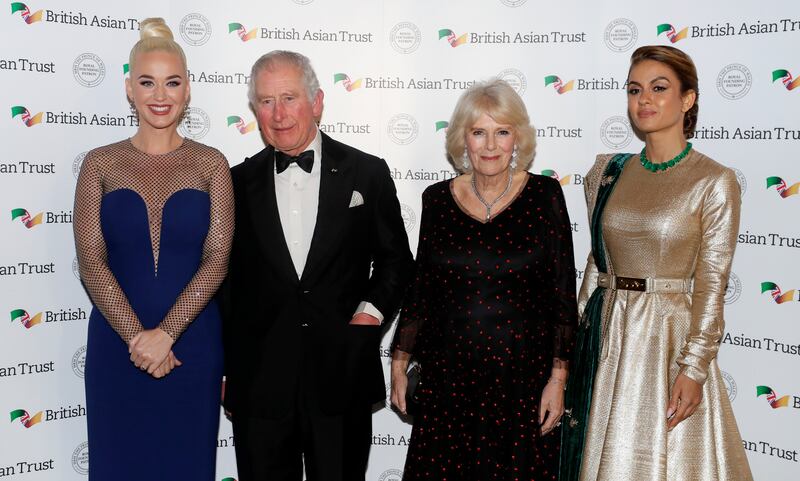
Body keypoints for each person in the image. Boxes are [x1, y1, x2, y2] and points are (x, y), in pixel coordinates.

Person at [559, 45, 753, 481]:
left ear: (688, 99)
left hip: (668, 339)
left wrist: (694, 367)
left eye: (659, 88)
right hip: (607, 338)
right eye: (634, 89)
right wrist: (569, 349)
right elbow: (597, 263)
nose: (643, 100)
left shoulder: (714, 181)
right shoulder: (607, 172)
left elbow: (711, 282)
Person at [220, 50, 414, 481]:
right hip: (260, 386)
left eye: (289, 98)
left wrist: (370, 314)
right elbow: (225, 285)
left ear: (318, 102)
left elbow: (396, 261)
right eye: (266, 102)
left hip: (342, 376)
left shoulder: (368, 173)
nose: (278, 113)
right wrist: (228, 368)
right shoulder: (235, 182)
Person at [390, 79, 578, 480]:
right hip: (448, 379)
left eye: (502, 132)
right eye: (479, 132)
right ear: (463, 139)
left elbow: (562, 295)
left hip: (521, 379)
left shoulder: (545, 196)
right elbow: (422, 288)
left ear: (518, 139)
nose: (491, 145)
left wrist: (558, 379)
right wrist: (399, 363)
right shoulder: (436, 200)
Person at [73, 17, 233, 481]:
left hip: (193, 345)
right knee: (118, 463)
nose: (159, 95)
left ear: (188, 90)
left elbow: (216, 260)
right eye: (147, 82)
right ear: (128, 88)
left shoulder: (211, 164)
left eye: (172, 82)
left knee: (187, 464)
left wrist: (167, 333)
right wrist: (137, 338)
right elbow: (91, 262)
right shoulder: (100, 164)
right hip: (115, 349)